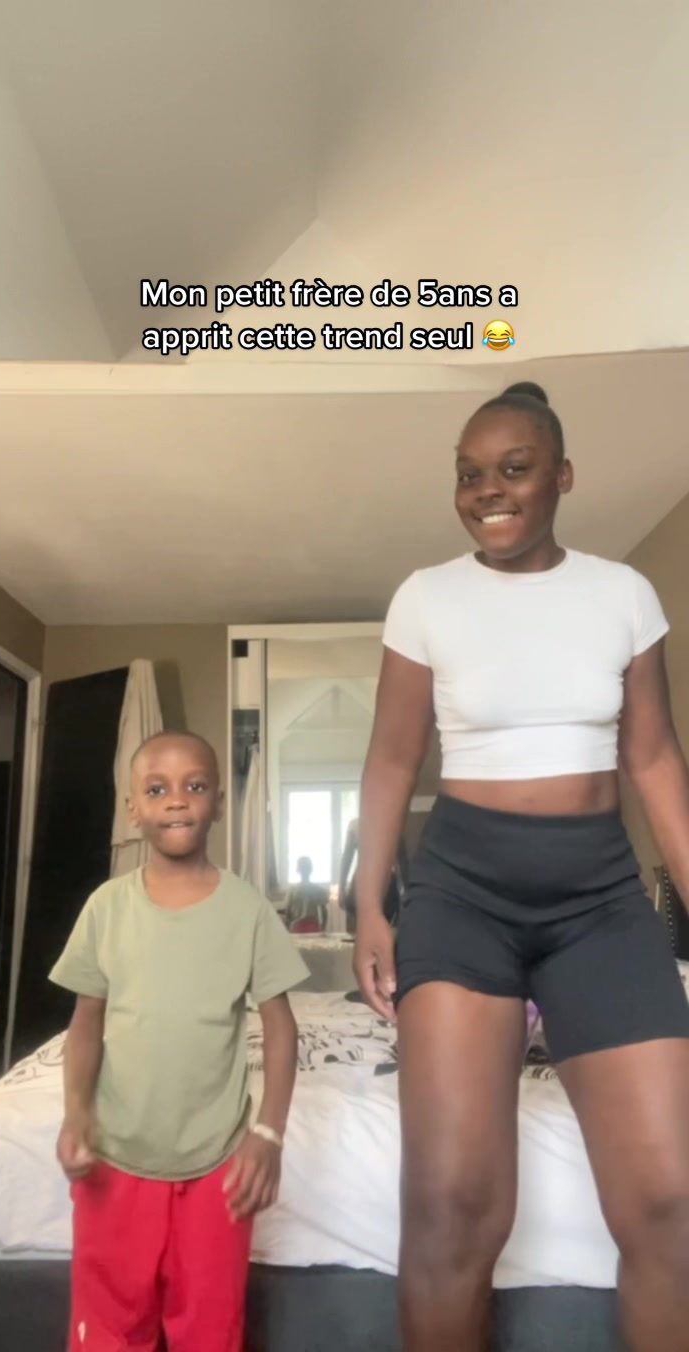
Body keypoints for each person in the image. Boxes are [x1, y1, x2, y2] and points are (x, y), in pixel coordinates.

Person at [353, 382, 689, 1352]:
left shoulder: (623, 594)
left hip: (601, 899)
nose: (487, 491)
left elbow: (655, 759)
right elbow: (392, 758)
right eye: (469, 474)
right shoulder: (426, 597)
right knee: (452, 1202)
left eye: (513, 468)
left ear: (563, 476)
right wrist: (369, 901)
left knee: (669, 1198)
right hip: (462, 893)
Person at [49, 730, 309, 1352]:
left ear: (218, 802)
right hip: (114, 1159)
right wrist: (76, 1112)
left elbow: (281, 1025)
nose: (175, 800)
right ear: (133, 808)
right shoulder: (106, 907)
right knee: (108, 1331)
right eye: (157, 789)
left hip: (219, 1165)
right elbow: (86, 1022)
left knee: (211, 1331)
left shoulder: (248, 910)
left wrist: (269, 1134)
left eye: (194, 786)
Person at [339, 816, 407, 934]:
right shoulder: (392, 823)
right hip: (379, 882)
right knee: (378, 930)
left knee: (361, 932)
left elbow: (347, 858)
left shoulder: (358, 824)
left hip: (370, 882)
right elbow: (402, 861)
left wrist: (342, 888)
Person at [285, 855, 329, 931]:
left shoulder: (293, 890)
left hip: (300, 926)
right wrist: (323, 927)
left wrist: (288, 927)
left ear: (298, 869)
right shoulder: (317, 890)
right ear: (311, 869)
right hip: (308, 926)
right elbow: (324, 911)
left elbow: (287, 912)